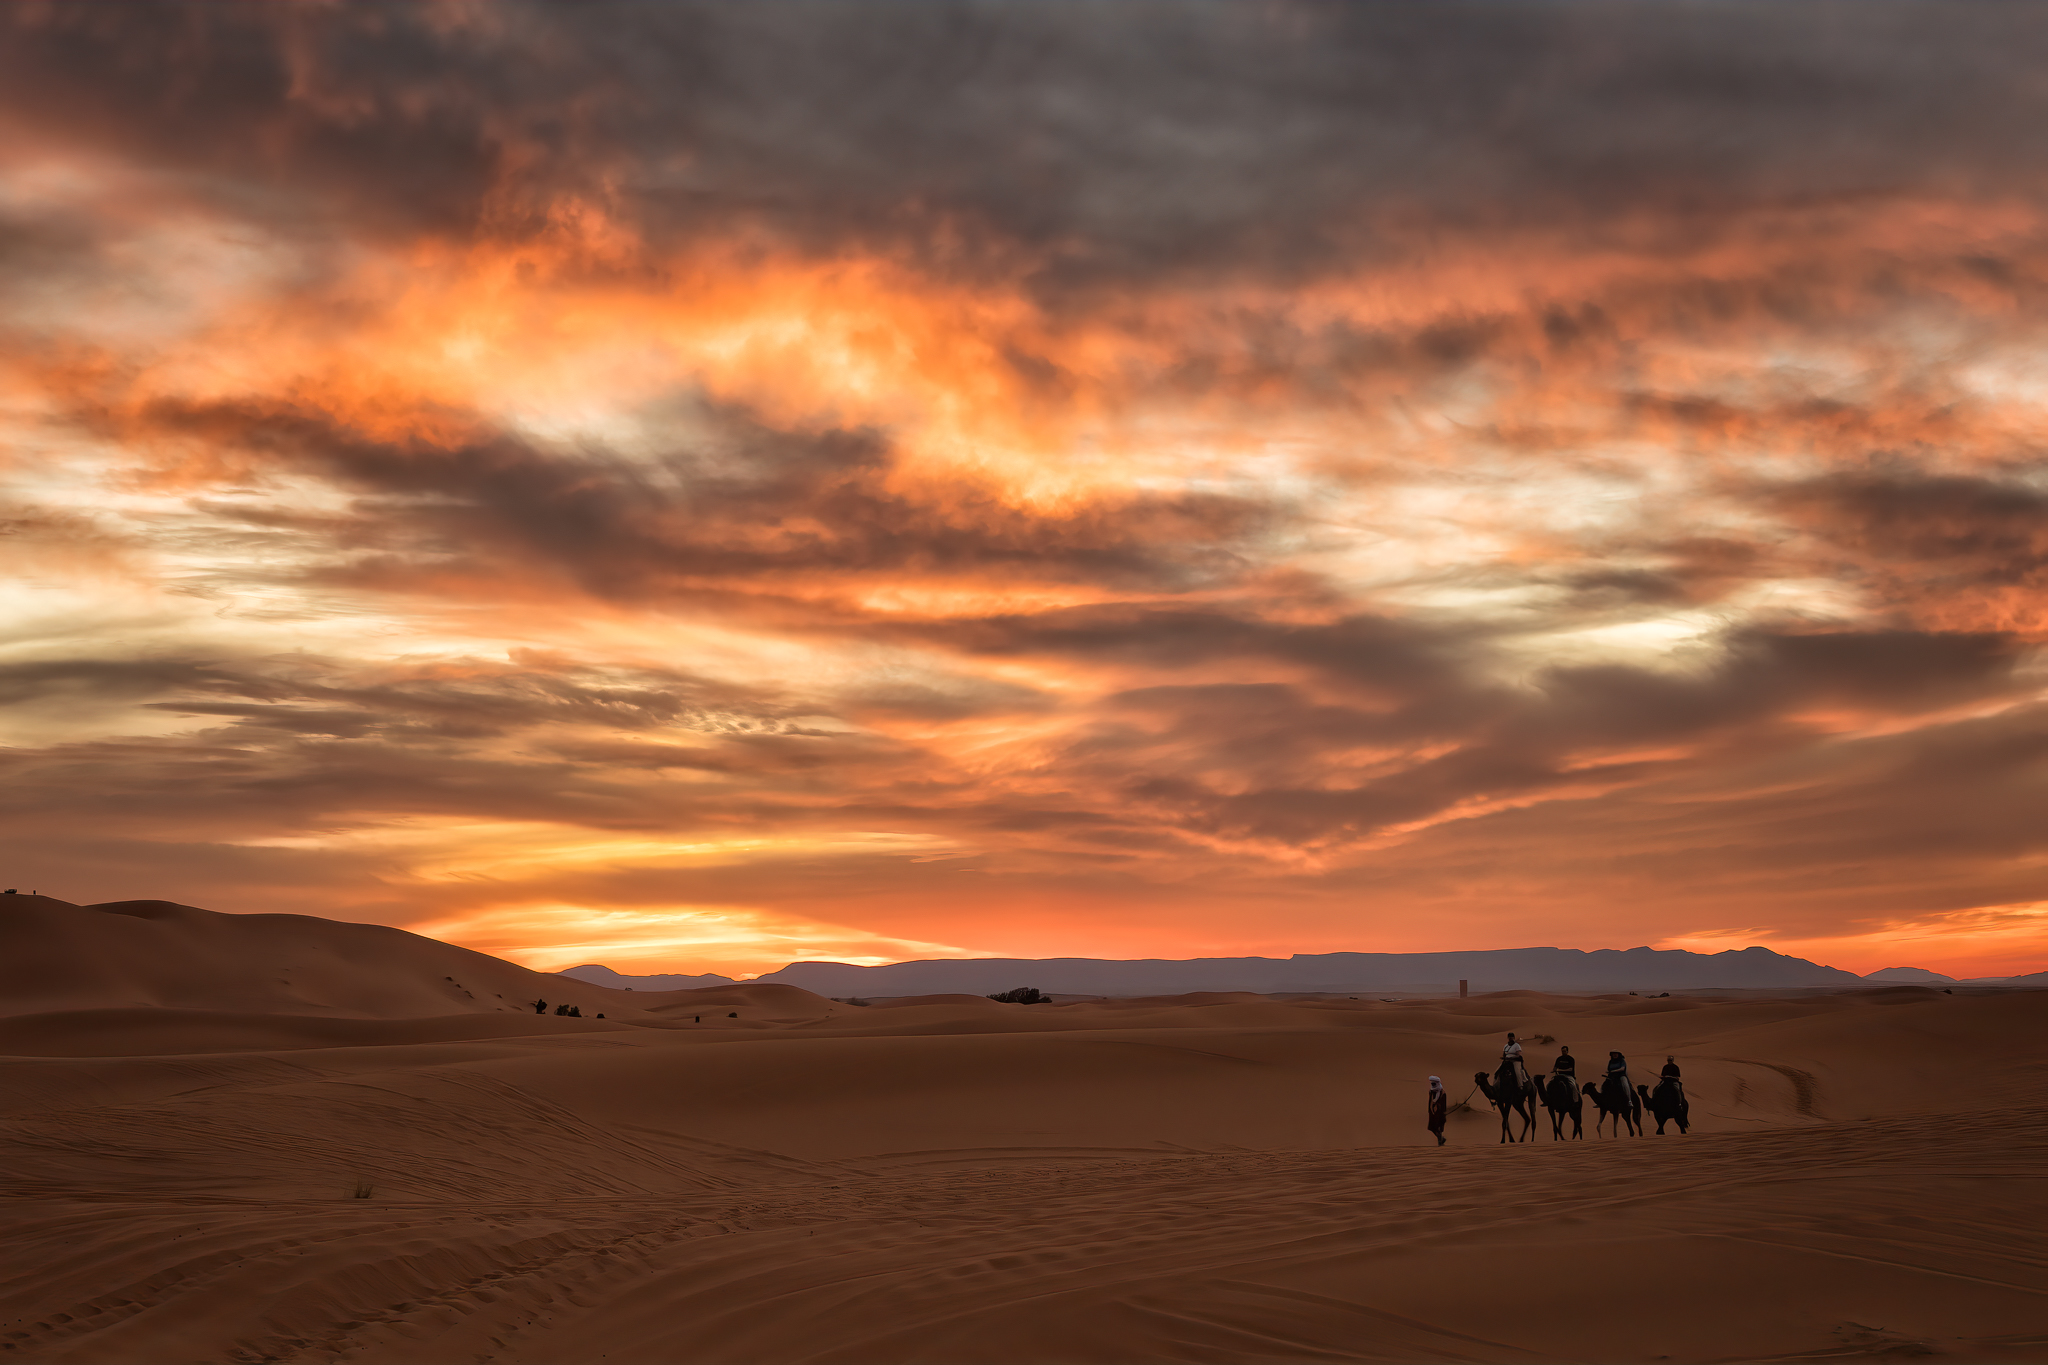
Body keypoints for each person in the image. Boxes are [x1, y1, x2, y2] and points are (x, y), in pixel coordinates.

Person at [1427, 1076, 1448, 1146]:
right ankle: (1441, 1138)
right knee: (1432, 1127)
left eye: (1434, 1084)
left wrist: (1443, 1112)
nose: (1433, 1085)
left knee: (1439, 1126)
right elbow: (1430, 1102)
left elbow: (1443, 1104)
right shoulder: (1431, 1091)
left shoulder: (1442, 1093)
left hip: (1440, 1113)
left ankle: (1440, 1140)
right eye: (1432, 1084)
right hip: (1432, 1113)